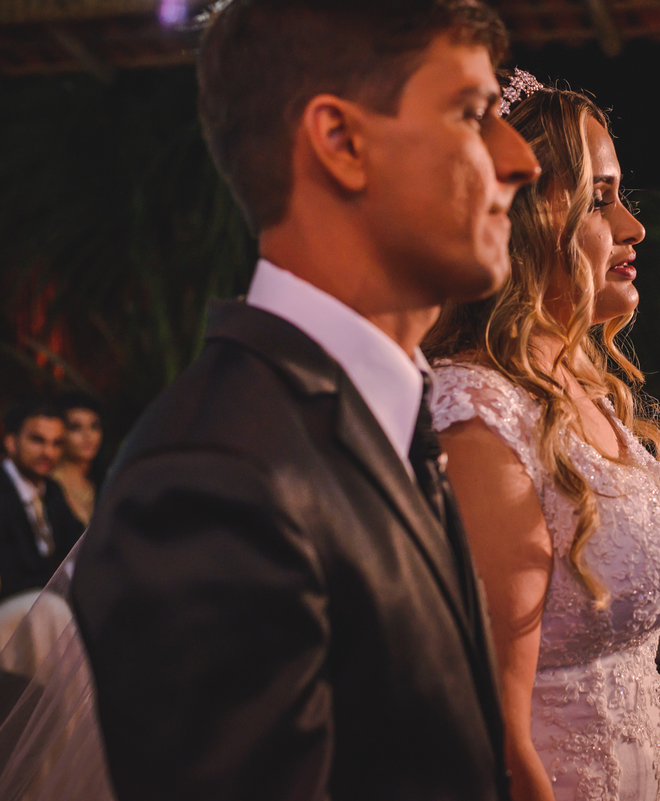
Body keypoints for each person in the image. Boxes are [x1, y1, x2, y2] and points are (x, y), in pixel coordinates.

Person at [64, 1, 540, 799]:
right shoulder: (213, 482)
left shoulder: (376, 420)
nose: (519, 159)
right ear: (341, 142)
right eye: (471, 112)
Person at [425, 77, 660, 801]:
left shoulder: (587, 390)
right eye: (599, 198)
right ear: (520, 218)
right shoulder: (477, 412)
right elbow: (491, 727)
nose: (633, 227)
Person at [0, 400, 84, 602]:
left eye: (57, 443)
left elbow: (78, 545)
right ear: (11, 442)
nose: (49, 452)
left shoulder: (52, 490)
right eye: (38, 441)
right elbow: (10, 574)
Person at [53, 393, 104, 527]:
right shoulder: (50, 484)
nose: (87, 435)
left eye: (94, 426)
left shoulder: (102, 482)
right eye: (75, 427)